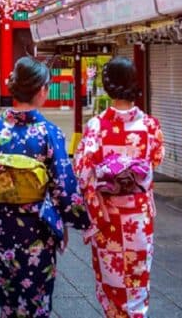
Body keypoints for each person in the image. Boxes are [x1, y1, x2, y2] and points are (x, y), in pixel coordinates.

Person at [0, 57, 90, 318]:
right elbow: (63, 185)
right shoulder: (49, 133)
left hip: (0, 223)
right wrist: (73, 220)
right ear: (41, 90)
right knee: (36, 297)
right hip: (36, 226)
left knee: (8, 295)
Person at [74, 57, 164, 318]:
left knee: (111, 279)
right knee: (137, 278)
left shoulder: (96, 127)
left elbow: (83, 172)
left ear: (107, 86)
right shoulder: (150, 126)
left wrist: (95, 199)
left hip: (108, 216)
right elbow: (156, 159)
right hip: (138, 215)